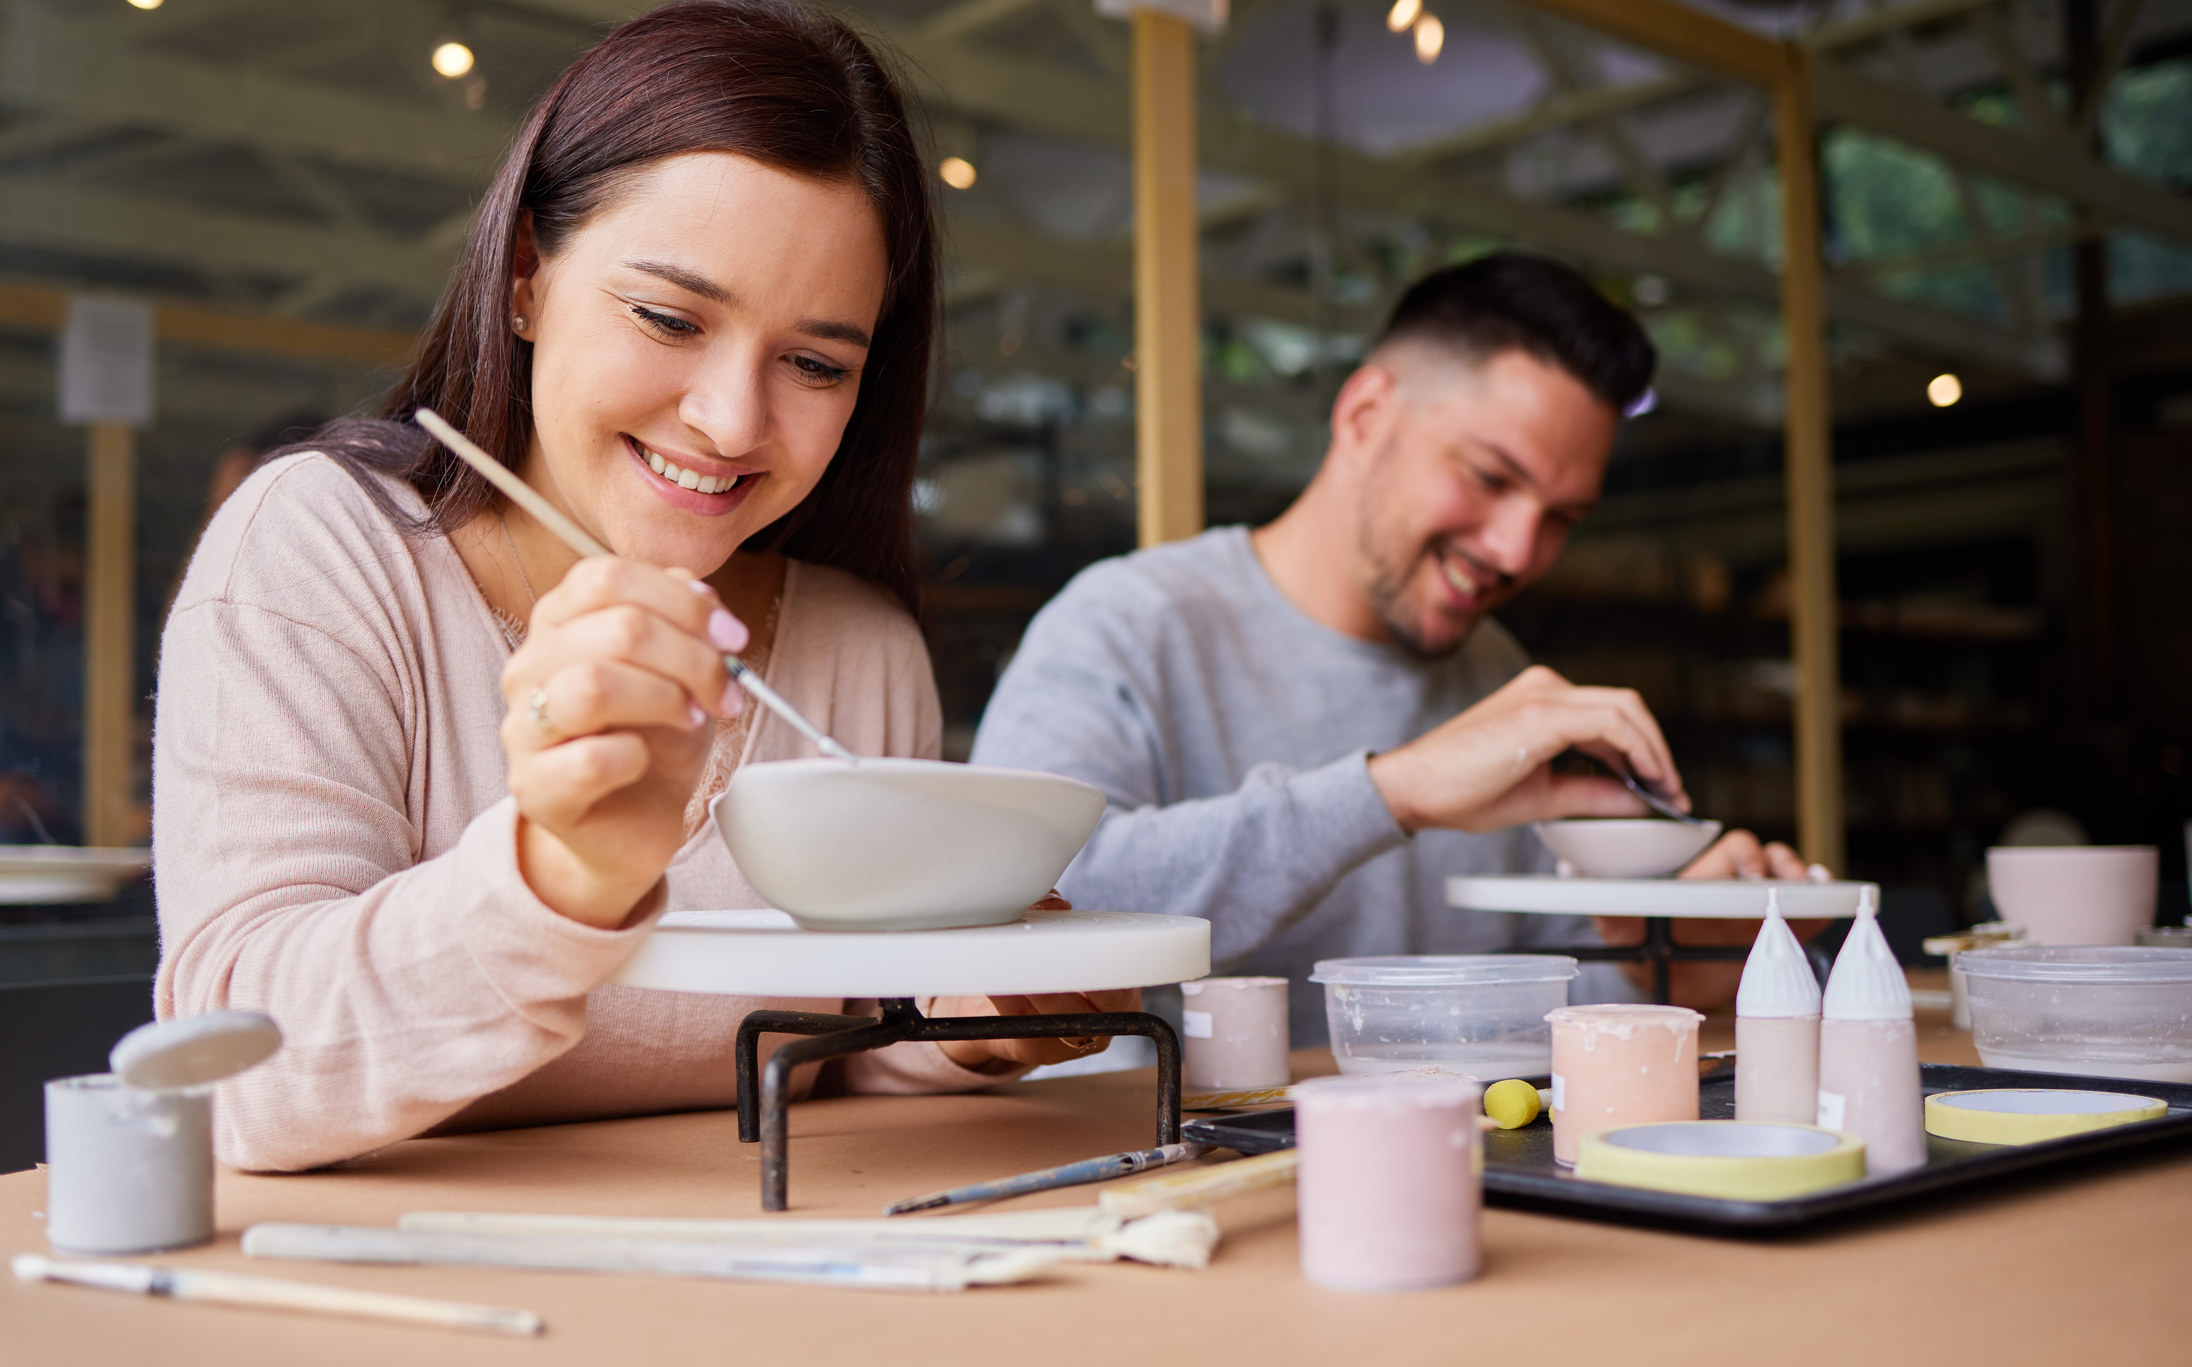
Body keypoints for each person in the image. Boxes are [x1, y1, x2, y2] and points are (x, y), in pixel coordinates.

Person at [153, 0, 1128, 1174]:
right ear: (524, 276)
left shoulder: (858, 650)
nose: (729, 420)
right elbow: (232, 1072)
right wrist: (555, 875)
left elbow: (834, 1049)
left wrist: (968, 1020)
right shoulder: (319, 549)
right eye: (669, 316)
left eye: (816, 363)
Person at [973, 253, 1821, 1044]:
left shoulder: (1497, 674)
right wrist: (1393, 789)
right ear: (1365, 415)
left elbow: (1546, 1005)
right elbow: (1017, 913)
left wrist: (1676, 965)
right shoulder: (1127, 624)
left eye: (1562, 517)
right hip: (1159, 1187)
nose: (1520, 549)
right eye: (1491, 477)